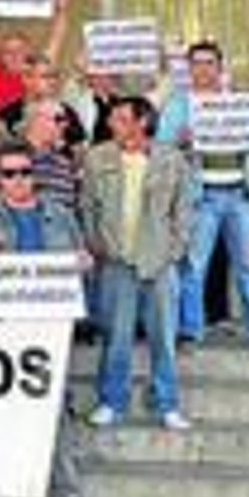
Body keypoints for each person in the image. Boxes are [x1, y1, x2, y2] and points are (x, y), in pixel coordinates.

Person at [0, 143, 91, 497]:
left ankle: (64, 494)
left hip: (49, 329)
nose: (19, 180)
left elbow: (80, 260)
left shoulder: (60, 214)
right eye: (10, 173)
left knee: (54, 409)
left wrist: (83, 263)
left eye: (26, 172)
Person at [157, 41, 249, 351]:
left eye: (209, 62)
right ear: (189, 68)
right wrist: (180, 141)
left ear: (219, 67)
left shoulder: (238, 102)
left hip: (240, 194)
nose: (203, 69)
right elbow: (160, 148)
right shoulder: (178, 105)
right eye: (197, 63)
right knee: (194, 267)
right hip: (201, 197)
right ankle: (191, 329)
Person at [81, 96, 195, 431]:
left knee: (163, 338)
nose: (111, 123)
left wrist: (174, 250)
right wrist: (97, 245)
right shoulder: (97, 157)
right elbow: (88, 206)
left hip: (159, 262)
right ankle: (111, 401)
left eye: (119, 118)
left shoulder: (171, 159)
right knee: (116, 337)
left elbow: (184, 209)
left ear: (141, 122)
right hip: (116, 261)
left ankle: (167, 404)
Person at [0, 0, 71, 113]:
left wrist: (61, 9)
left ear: (28, 53)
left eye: (20, 50)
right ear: (1, 56)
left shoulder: (37, 73)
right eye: (8, 52)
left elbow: (56, 40)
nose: (14, 55)